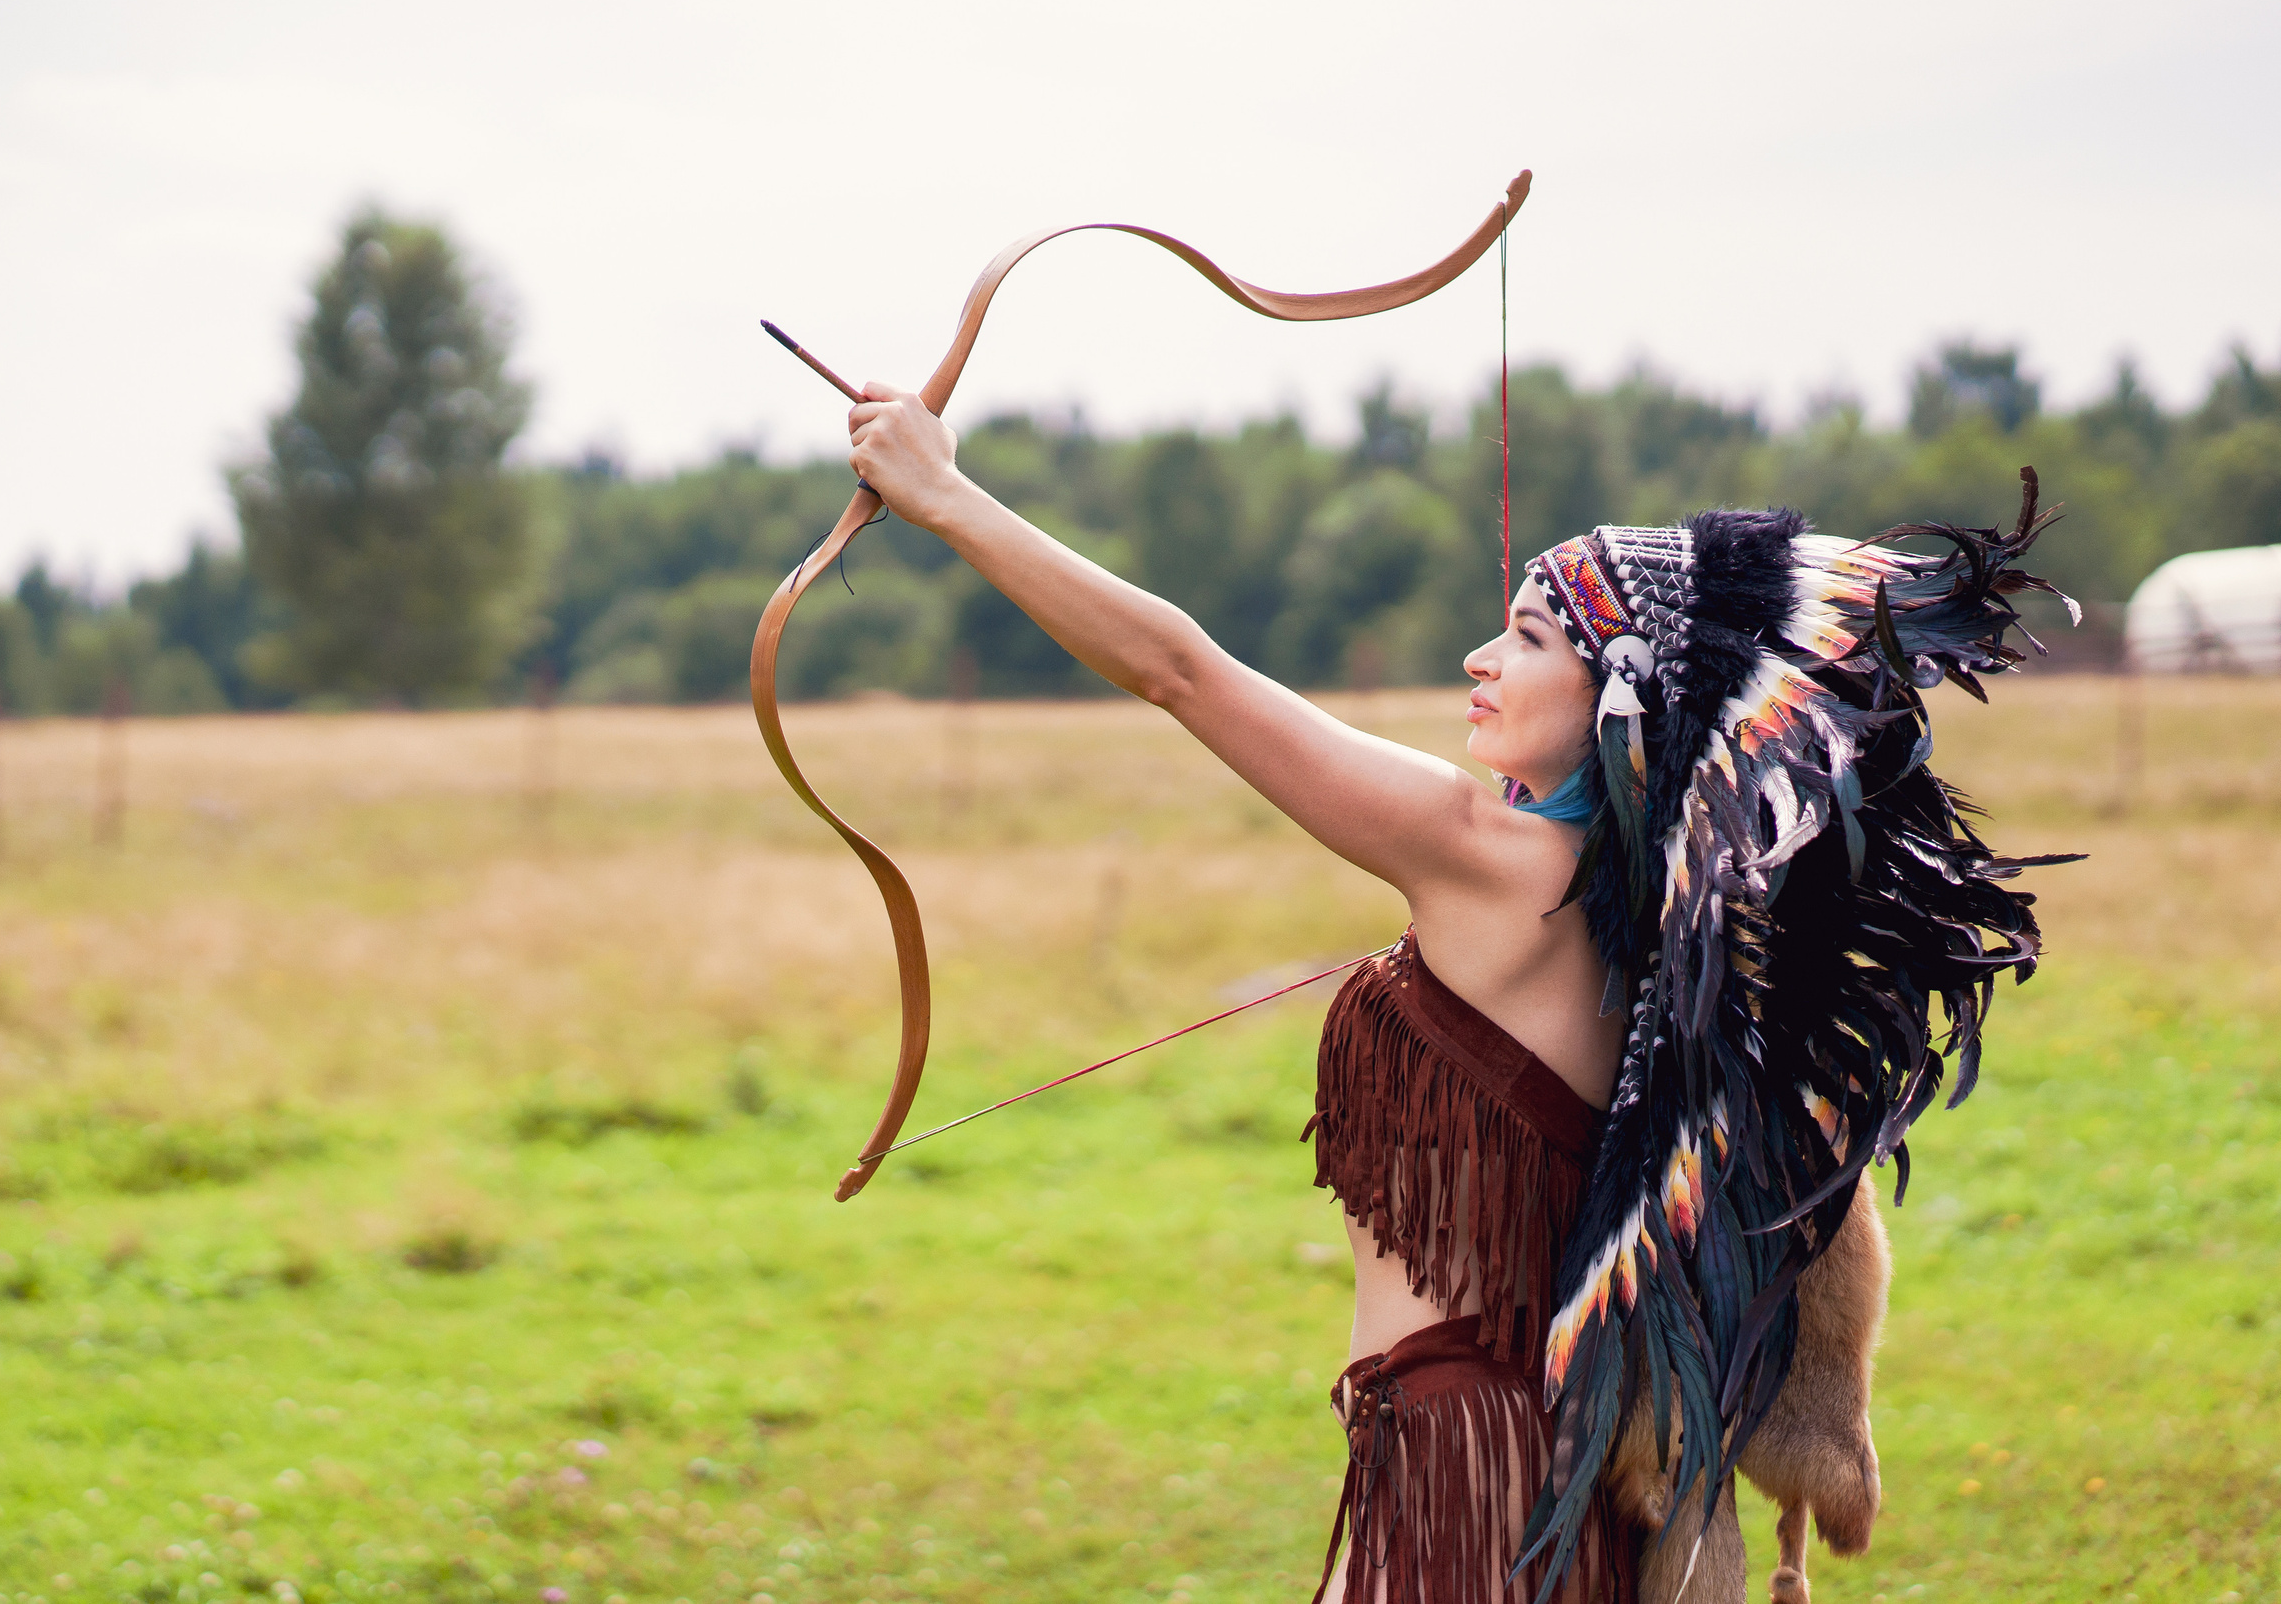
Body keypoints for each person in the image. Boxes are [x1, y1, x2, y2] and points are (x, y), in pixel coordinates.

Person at [843, 382, 2071, 1603]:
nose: (1481, 658)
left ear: (1623, 697)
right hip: (1542, 1469)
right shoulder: (1671, 920)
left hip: (1466, 1477)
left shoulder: (1490, 858)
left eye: (1532, 639)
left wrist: (944, 496)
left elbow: (1180, 672)